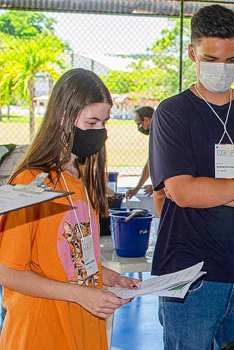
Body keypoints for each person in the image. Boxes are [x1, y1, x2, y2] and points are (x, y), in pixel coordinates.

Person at [149, 5, 234, 350]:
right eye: (212, 59)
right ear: (192, 53)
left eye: (231, 60)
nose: (222, 69)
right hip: (188, 274)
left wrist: (208, 189)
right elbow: (181, 193)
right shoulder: (172, 113)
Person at [0, 68, 138, 350]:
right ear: (64, 118)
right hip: (43, 331)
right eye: (92, 122)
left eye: (104, 122)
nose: (101, 132)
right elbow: (8, 272)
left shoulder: (77, 175)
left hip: (82, 322)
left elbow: (67, 254)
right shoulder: (30, 183)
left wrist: (103, 275)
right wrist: (79, 294)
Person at [126, 106, 155, 199]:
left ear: (147, 120)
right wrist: (137, 188)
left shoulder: (160, 135)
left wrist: (160, 187)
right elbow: (150, 163)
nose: (139, 127)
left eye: (139, 123)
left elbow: (170, 164)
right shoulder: (155, 134)